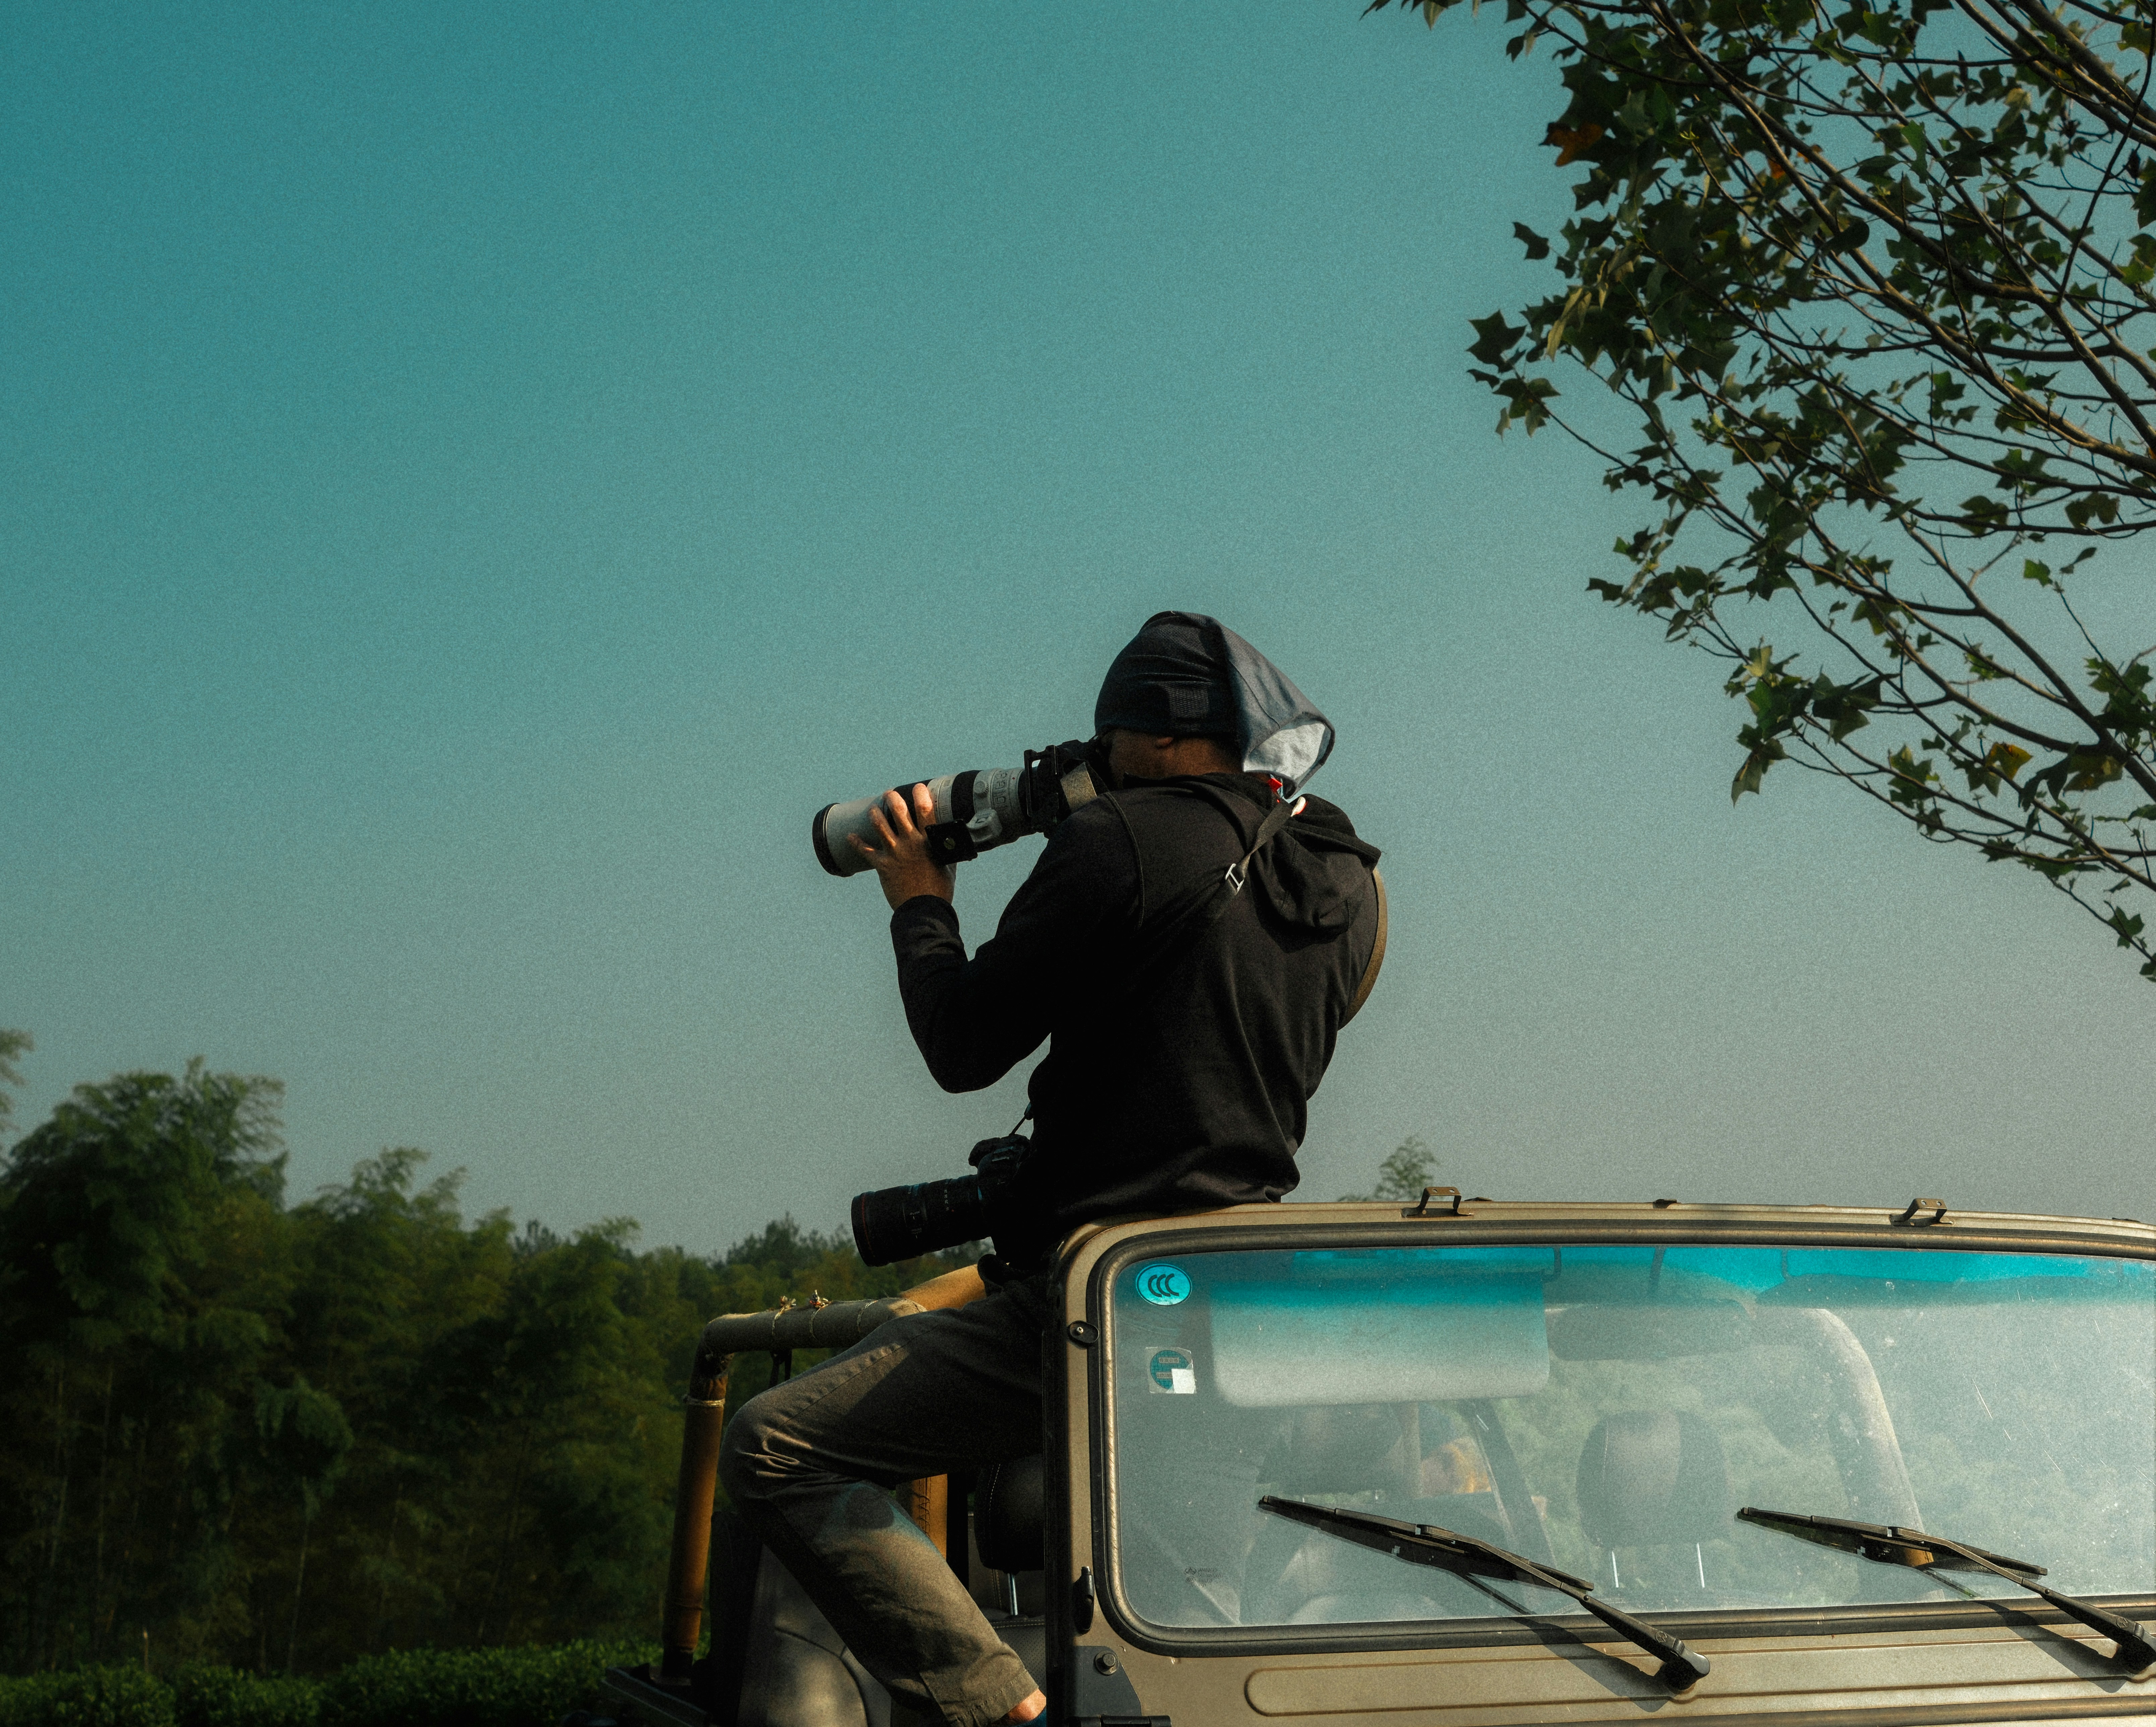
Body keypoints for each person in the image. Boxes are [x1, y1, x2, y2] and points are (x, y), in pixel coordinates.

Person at [718, 612, 1383, 1727]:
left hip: (1094, 1296)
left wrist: (921, 900)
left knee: (775, 1446)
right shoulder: (1352, 881)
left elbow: (964, 1046)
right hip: (1240, 1295)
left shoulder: (1114, 843)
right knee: (1180, 1603)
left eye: (1112, 734)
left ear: (1163, 741)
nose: (1098, 755)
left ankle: (1002, 1708)